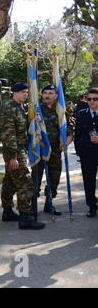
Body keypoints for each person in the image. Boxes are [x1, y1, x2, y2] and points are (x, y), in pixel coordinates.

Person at [0, 82, 45, 229]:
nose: (26, 95)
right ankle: (25, 218)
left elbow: (22, 128)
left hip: (19, 149)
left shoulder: (21, 107)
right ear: (15, 92)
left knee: (10, 181)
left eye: (27, 92)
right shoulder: (9, 107)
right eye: (23, 92)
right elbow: (8, 134)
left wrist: (33, 120)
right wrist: (12, 157)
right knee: (25, 183)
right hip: (14, 151)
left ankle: (7, 211)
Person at [31, 84, 73, 216]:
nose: (47, 96)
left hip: (56, 151)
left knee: (54, 178)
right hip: (41, 149)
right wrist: (38, 138)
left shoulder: (61, 110)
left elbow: (69, 127)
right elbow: (30, 129)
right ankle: (32, 206)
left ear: (56, 95)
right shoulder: (36, 110)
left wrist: (70, 137)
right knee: (35, 179)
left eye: (50, 93)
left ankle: (49, 204)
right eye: (45, 93)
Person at [74, 88, 98, 217]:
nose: (92, 101)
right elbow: (77, 135)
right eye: (89, 99)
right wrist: (80, 153)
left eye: (95, 99)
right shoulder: (82, 114)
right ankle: (92, 206)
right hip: (87, 154)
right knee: (88, 181)